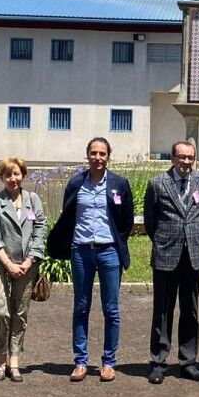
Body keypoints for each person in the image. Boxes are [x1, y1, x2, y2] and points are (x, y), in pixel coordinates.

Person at [47, 137, 134, 383]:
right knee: (81, 307)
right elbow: (68, 217)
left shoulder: (119, 183)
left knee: (112, 309)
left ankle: (108, 362)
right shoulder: (77, 183)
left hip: (109, 252)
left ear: (109, 156)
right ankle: (81, 361)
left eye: (102, 153)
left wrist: (117, 242)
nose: (97, 157)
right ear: (87, 155)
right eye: (93, 153)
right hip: (82, 251)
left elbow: (126, 220)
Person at [142, 140, 199, 384]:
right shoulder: (157, 183)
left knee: (190, 309)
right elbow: (151, 220)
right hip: (165, 254)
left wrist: (193, 237)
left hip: (193, 254)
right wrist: (164, 240)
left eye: (190, 157)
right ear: (172, 158)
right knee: (162, 309)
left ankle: (188, 362)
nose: (186, 162)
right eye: (181, 157)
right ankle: (159, 361)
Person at [0, 156, 47, 383]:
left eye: (16, 174)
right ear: (1, 177)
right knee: (1, 310)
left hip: (26, 265)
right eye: (7, 175)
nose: (12, 179)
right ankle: (0, 361)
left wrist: (30, 261)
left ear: (23, 175)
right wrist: (8, 263)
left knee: (20, 313)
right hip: (0, 264)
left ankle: (14, 361)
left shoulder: (33, 199)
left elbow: (40, 229)